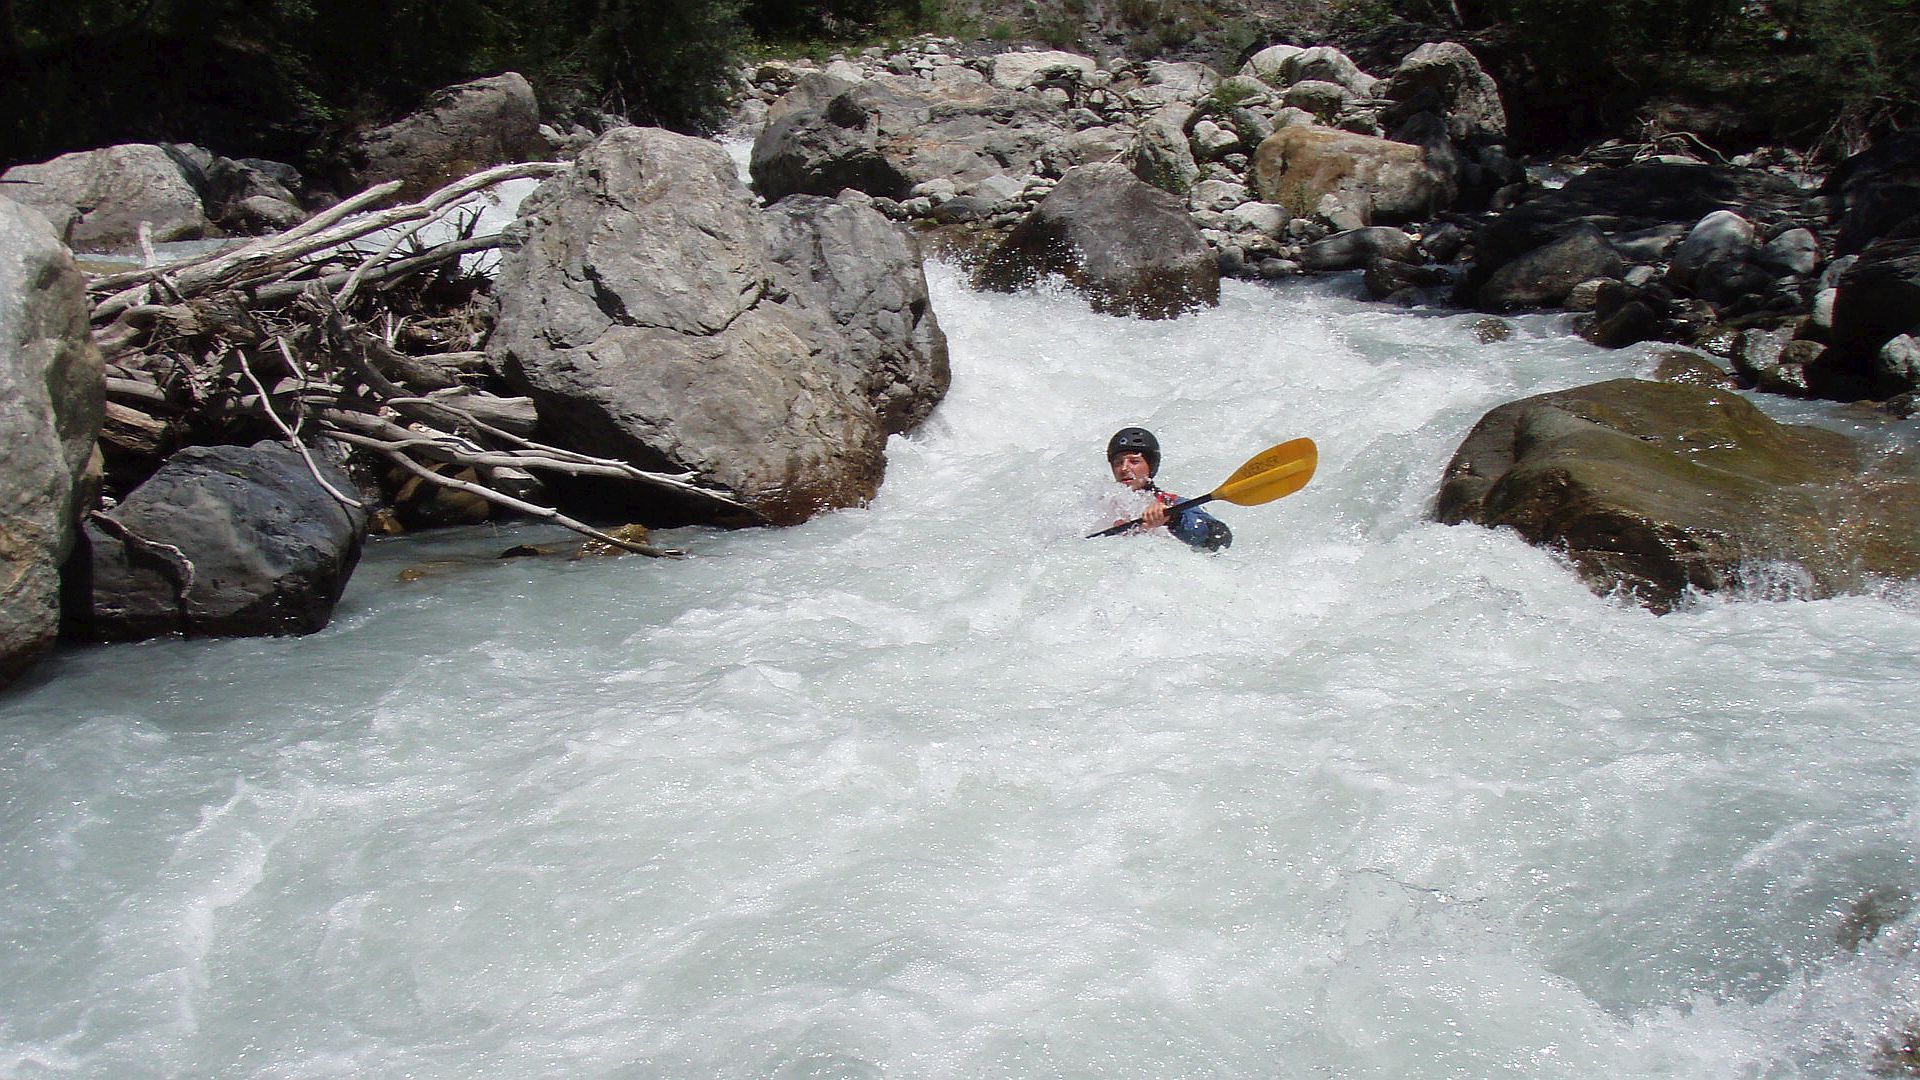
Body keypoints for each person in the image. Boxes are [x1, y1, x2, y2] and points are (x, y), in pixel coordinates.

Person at [1104, 427, 1232, 552]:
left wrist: (1173, 519)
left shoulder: (1172, 503)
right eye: (1118, 463)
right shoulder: (1101, 504)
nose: (1124, 468)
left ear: (1150, 466)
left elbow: (1220, 537)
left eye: (1134, 461)